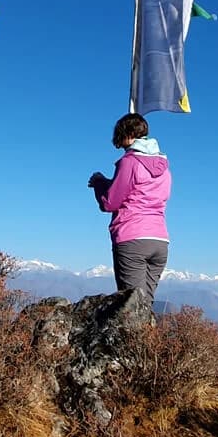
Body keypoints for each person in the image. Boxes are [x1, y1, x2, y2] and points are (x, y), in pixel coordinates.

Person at [88, 113, 172, 304]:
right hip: (159, 240)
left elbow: (110, 202)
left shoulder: (130, 162)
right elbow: (141, 193)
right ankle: (148, 335)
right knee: (144, 306)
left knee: (130, 307)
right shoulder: (164, 167)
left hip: (132, 237)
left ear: (126, 133)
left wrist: (99, 183)